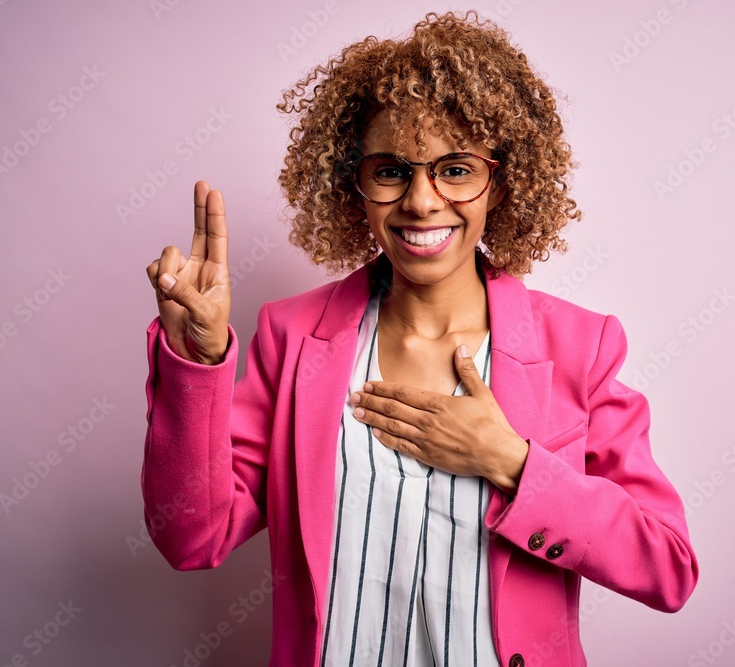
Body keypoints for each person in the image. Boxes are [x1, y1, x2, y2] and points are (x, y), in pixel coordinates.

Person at [141, 10, 698, 667]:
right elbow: (190, 536)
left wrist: (514, 464)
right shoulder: (291, 337)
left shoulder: (582, 346)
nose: (422, 201)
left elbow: (668, 567)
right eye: (391, 170)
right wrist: (196, 363)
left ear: (502, 179)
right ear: (355, 182)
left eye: (455, 169)